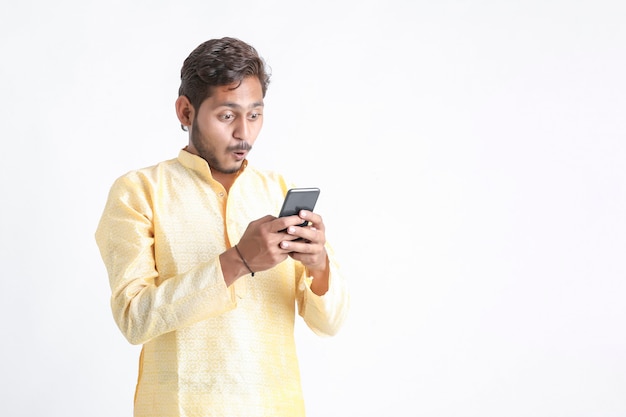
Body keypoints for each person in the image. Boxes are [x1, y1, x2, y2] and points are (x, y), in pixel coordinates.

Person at [95, 37, 349, 417]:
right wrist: (239, 261)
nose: (244, 134)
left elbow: (329, 325)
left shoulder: (276, 190)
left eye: (255, 114)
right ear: (185, 111)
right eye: (227, 115)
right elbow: (135, 318)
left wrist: (319, 268)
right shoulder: (140, 192)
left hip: (275, 407)